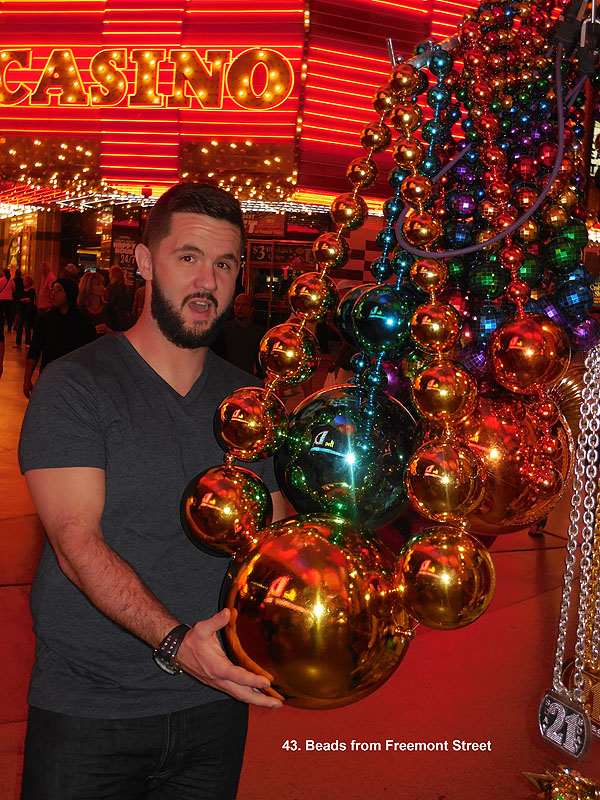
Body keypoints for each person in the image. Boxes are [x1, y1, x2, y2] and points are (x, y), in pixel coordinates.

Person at [18, 183, 285, 800]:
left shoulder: (251, 403)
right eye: (188, 257)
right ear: (143, 262)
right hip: (90, 710)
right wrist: (176, 644)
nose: (207, 282)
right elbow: (74, 543)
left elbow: (273, 540)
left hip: (215, 707)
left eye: (224, 264)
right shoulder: (78, 386)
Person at [22, 278, 96, 398]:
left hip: (74, 380)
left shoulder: (83, 322)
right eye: (53, 289)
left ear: (69, 293)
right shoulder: (44, 320)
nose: (53, 293)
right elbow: (34, 351)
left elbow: (90, 355)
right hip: (48, 377)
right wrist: (27, 379)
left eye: (59, 290)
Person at [212, 292, 264, 375]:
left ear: (251, 309)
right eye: (237, 305)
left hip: (247, 376)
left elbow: (259, 359)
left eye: (244, 305)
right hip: (227, 375)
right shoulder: (223, 329)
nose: (239, 308)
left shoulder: (257, 332)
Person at [77, 270, 121, 336]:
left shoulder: (110, 309)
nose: (102, 287)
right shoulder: (79, 310)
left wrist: (110, 332)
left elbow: (119, 334)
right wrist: (92, 331)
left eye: (102, 284)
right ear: (88, 287)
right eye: (97, 284)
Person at [104, 264, 132, 329]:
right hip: (124, 318)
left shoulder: (111, 288)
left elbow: (109, 302)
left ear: (112, 275)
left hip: (113, 317)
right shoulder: (125, 287)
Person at [14, 274, 36, 347]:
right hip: (22, 309)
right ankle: (18, 342)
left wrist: (24, 299)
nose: (23, 282)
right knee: (19, 326)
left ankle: (28, 342)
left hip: (28, 310)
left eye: (24, 281)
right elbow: (19, 298)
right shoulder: (22, 290)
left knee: (27, 326)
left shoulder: (32, 290)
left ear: (28, 282)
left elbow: (30, 299)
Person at [0, 267, 16, 333]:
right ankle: (9, 326)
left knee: (1, 313)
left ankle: (1, 326)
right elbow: (14, 289)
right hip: (9, 298)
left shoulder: (1, 280)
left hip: (1, 298)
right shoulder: (11, 280)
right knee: (8, 313)